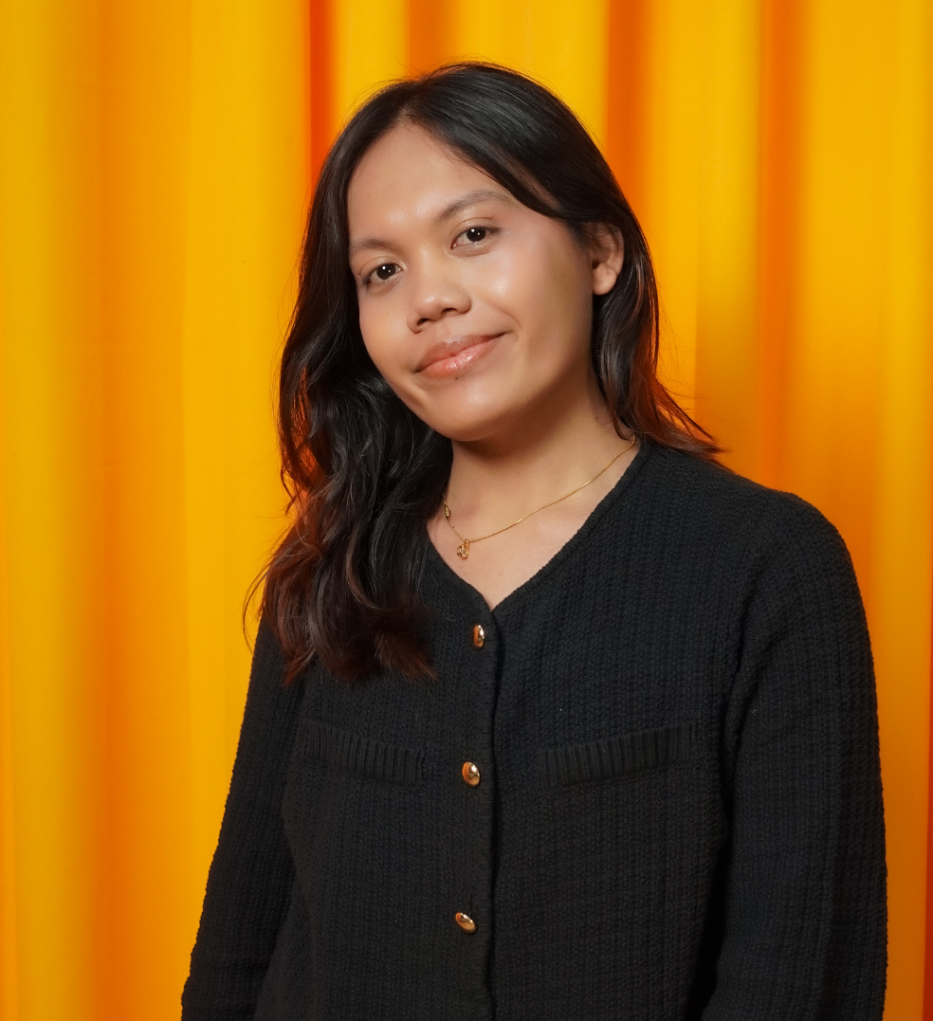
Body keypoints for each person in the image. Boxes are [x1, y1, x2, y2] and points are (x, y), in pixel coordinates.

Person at [181, 62, 886, 1021]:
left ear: (600, 251)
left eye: (473, 234)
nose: (428, 298)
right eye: (382, 271)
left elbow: (798, 981)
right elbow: (237, 948)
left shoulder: (765, 570)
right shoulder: (334, 568)